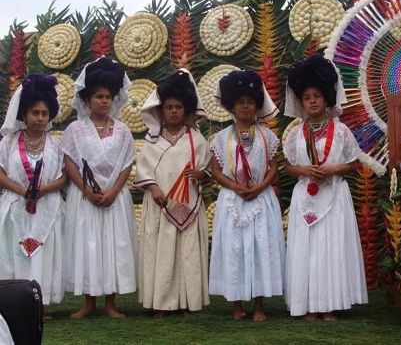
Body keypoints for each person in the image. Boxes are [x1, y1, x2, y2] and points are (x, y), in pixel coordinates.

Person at [284, 54, 368, 320]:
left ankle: (330, 304)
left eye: (317, 96)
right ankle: (307, 304)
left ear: (326, 99)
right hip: (305, 196)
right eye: (307, 97)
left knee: (330, 248)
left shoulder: (341, 130)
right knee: (306, 249)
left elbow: (354, 164)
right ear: (301, 102)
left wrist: (332, 169)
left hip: (334, 194)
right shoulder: (296, 133)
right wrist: (304, 170)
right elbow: (288, 166)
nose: (312, 101)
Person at [62, 57, 137, 318]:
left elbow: (127, 163)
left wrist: (114, 190)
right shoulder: (74, 130)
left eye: (108, 96)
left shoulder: (123, 130)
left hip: (115, 198)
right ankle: (89, 303)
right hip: (85, 199)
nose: (104, 101)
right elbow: (69, 163)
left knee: (113, 245)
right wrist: (86, 190)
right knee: (88, 245)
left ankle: (111, 304)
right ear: (87, 100)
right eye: (98, 97)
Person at [209, 69, 285, 322]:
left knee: (260, 247)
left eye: (250, 102)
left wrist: (259, 187)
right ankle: (237, 305)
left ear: (257, 105)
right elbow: (216, 170)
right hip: (232, 201)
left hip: (261, 200)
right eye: (240, 102)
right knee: (234, 249)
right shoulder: (220, 138)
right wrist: (236, 187)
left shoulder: (267, 136)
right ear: (232, 105)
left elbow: (274, 166)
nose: (245, 106)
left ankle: (260, 305)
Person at [134, 69, 211, 317]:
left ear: (186, 109)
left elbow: (207, 170)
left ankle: (189, 300)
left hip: (187, 205)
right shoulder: (152, 140)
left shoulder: (196, 139)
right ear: (160, 110)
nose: (174, 111)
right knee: (161, 253)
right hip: (159, 205)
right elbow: (144, 169)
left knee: (187, 252)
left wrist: (202, 175)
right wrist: (154, 188)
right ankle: (161, 303)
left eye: (179, 106)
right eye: (169, 107)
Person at [0, 74, 66, 315]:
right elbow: (1, 173)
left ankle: (40, 304)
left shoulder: (57, 145)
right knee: (15, 253)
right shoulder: (8, 143)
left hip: (46, 208)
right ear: (24, 114)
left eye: (44, 113)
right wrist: (23, 191)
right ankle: (15, 304)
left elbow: (64, 176)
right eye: (35, 113)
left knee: (42, 255)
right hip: (16, 206)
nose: (39, 118)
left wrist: (41, 191)